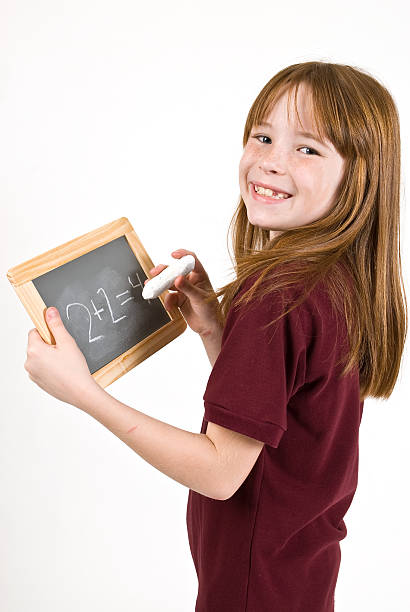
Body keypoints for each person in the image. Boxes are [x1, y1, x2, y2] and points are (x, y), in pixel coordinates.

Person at [24, 61, 407, 611]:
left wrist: (84, 392)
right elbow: (284, 409)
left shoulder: (277, 292)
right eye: (264, 136)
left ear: (361, 176)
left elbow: (221, 472)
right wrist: (215, 330)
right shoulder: (336, 278)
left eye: (308, 149)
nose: (271, 161)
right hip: (299, 570)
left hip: (251, 586)